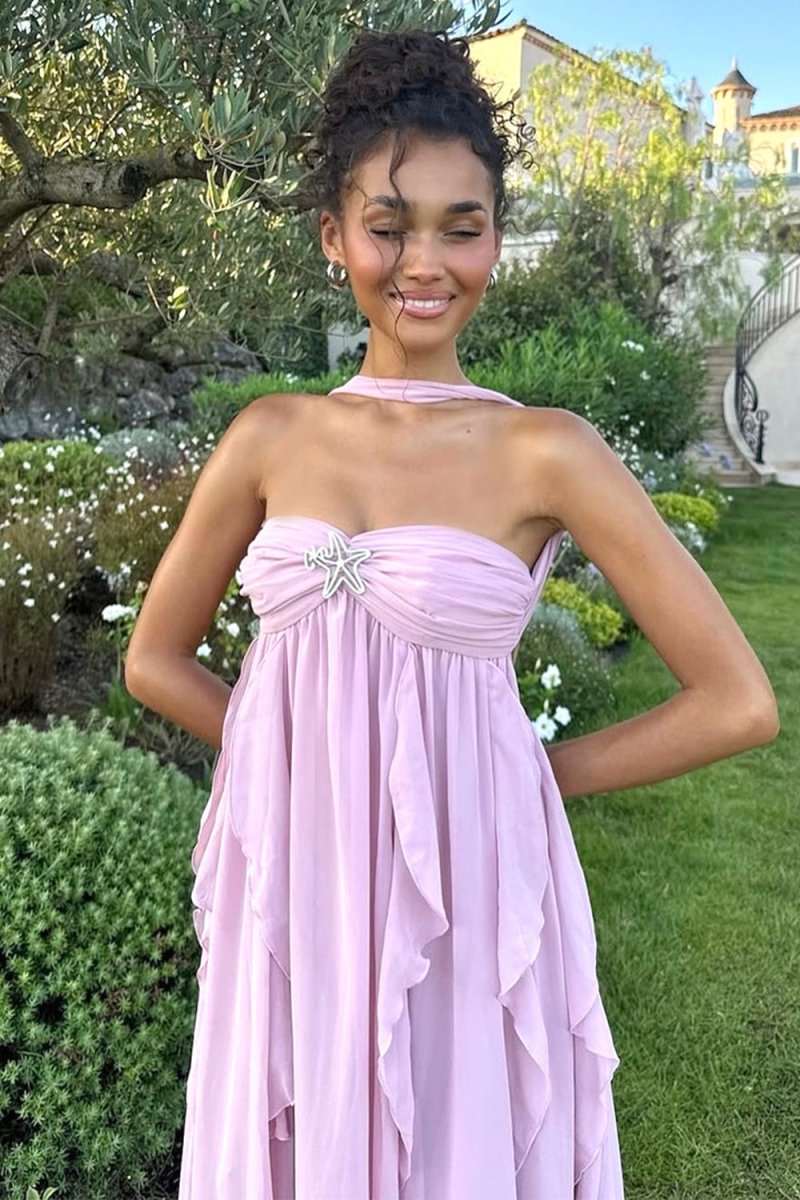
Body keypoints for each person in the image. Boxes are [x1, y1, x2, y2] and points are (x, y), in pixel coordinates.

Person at [124, 26, 780, 1200]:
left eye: (459, 228)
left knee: (452, 1141)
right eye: (388, 226)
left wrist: (524, 779)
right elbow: (154, 661)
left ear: (494, 240)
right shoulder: (269, 436)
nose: (422, 263)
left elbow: (735, 702)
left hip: (466, 879)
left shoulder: (547, 451)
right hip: (300, 877)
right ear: (333, 236)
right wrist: (297, 768)